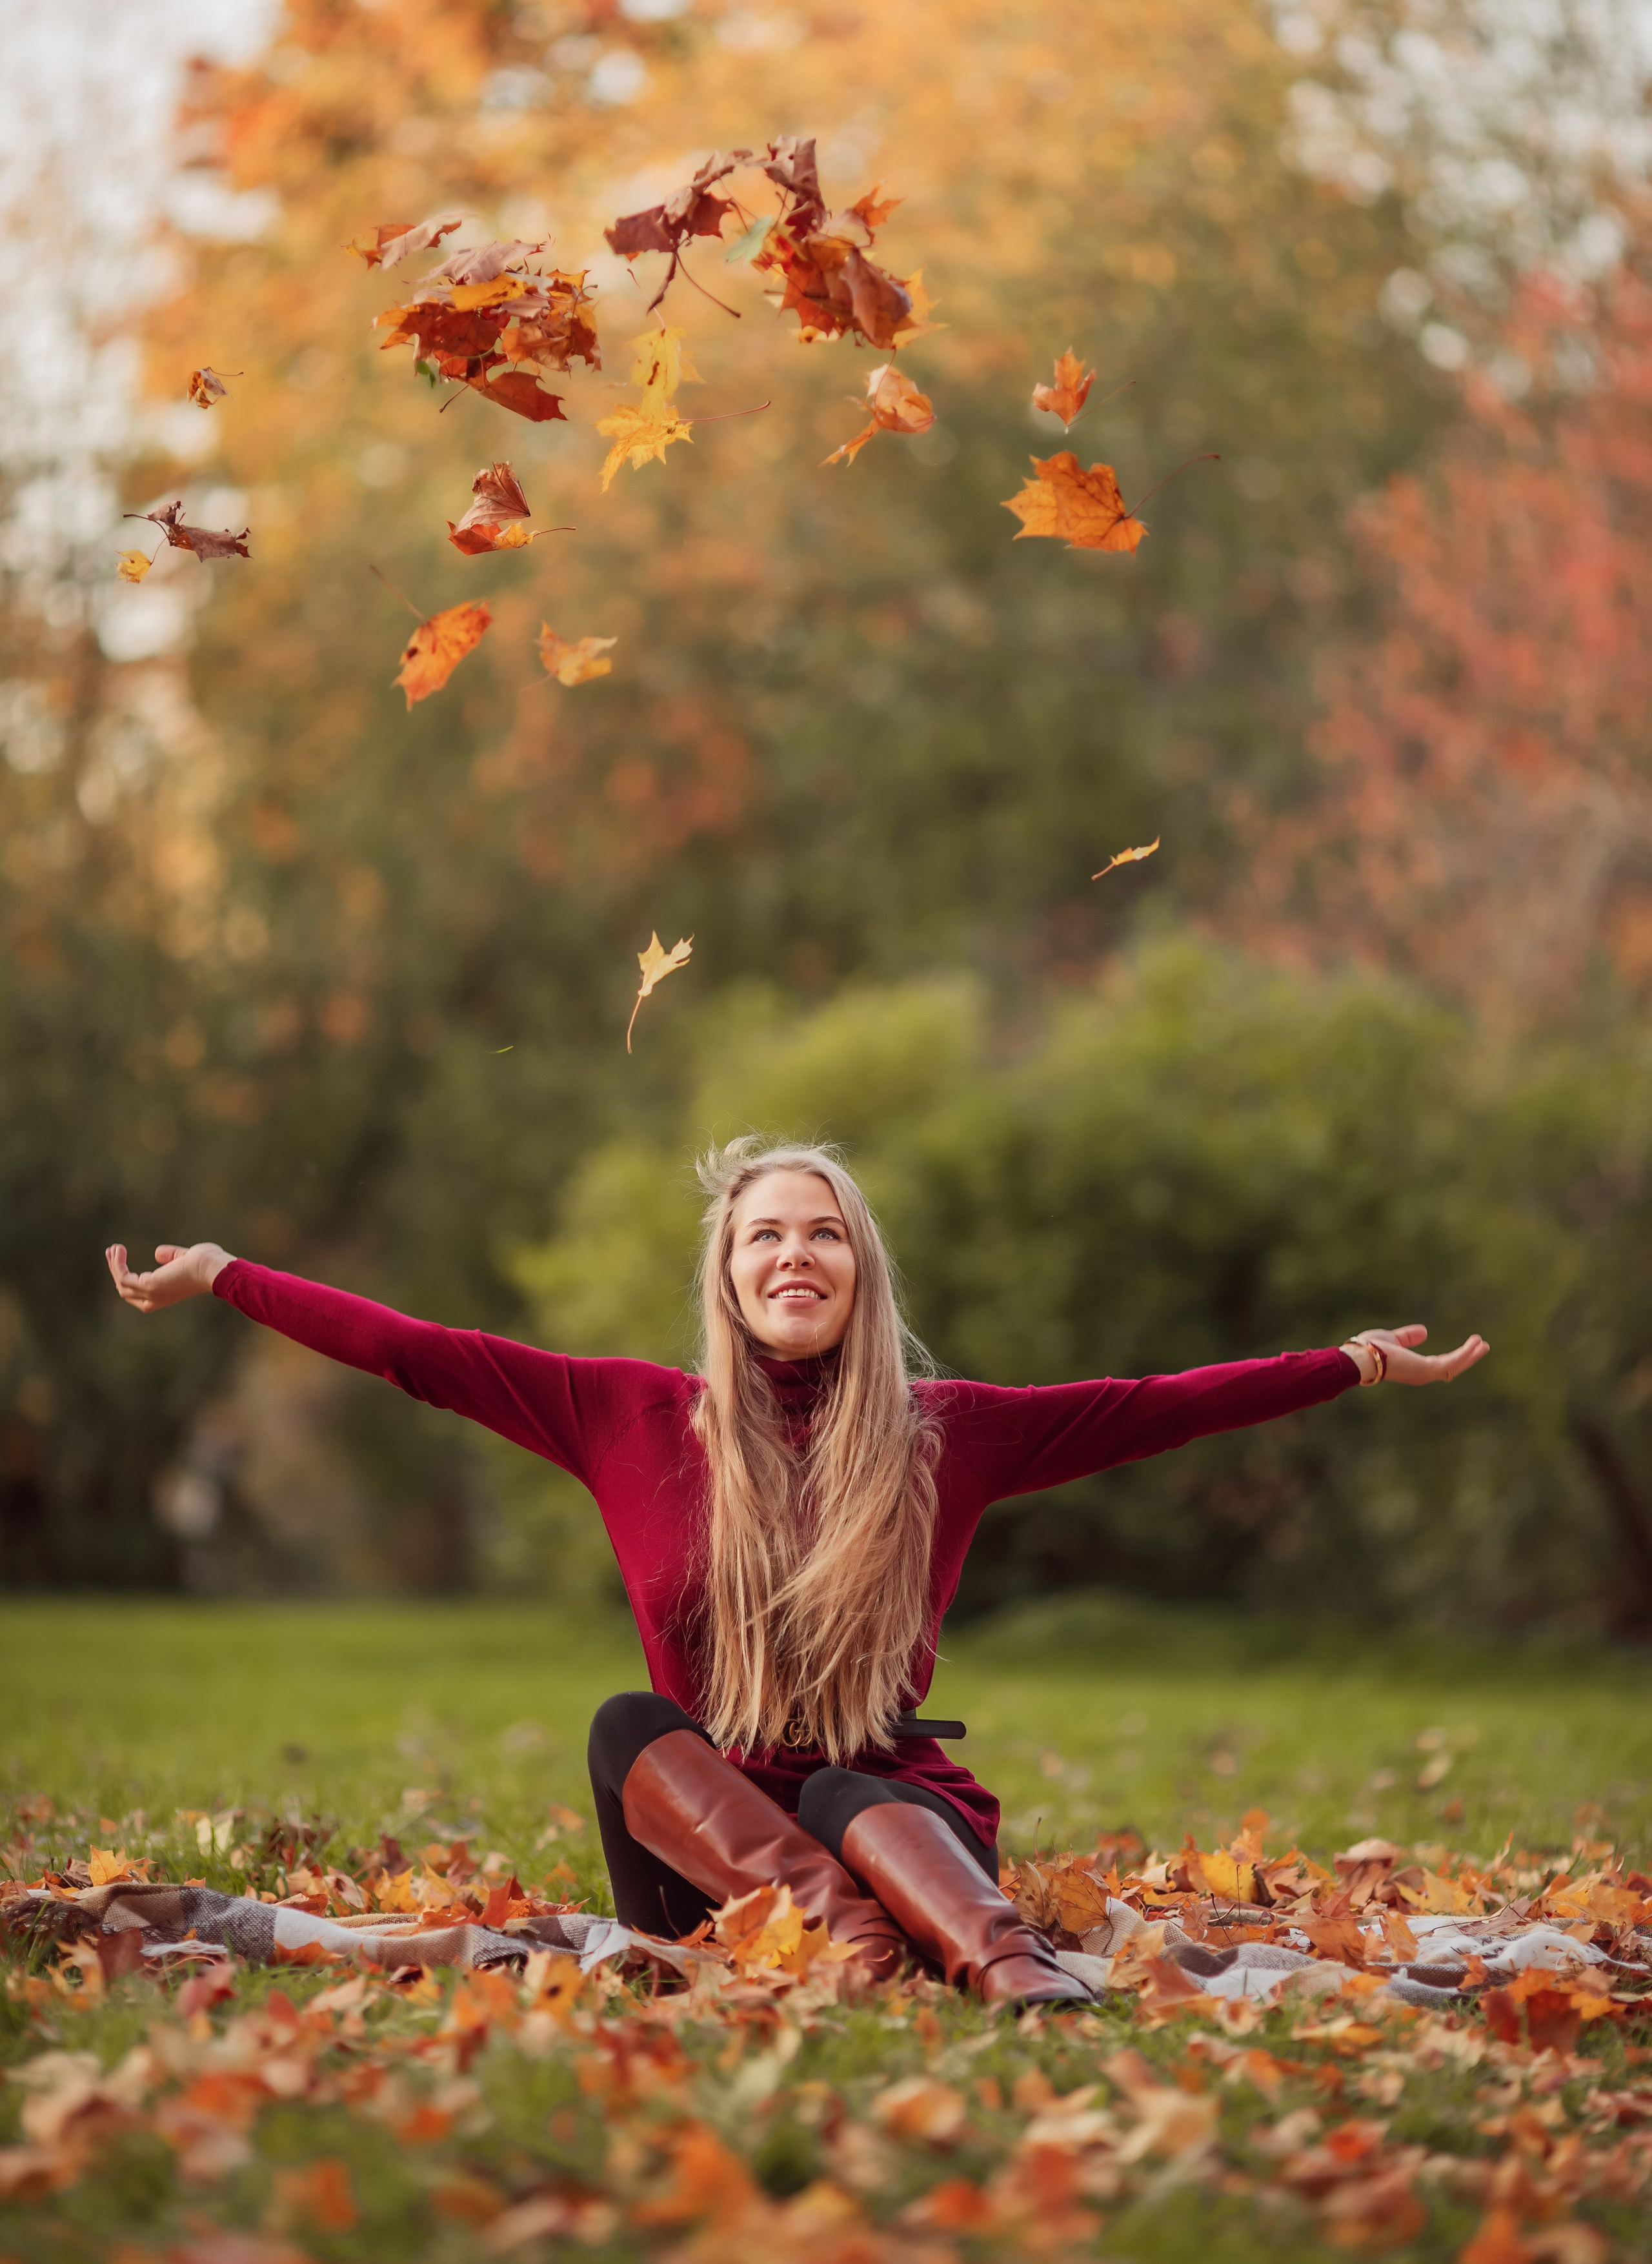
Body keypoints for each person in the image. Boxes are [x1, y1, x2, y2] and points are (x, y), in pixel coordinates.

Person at [107, 1137, 1488, 2006]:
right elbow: (415, 1349)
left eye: (821, 1230)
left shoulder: (946, 1431)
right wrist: (229, 1272)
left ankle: (993, 1964)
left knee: (845, 1779)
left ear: (858, 1269)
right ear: (725, 1271)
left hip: (897, 1832)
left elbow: (1155, 1402)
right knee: (625, 1726)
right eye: (764, 1231)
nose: (793, 1252)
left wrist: (1352, 1359)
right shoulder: (622, 1410)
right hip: (710, 1866)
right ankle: (859, 1951)